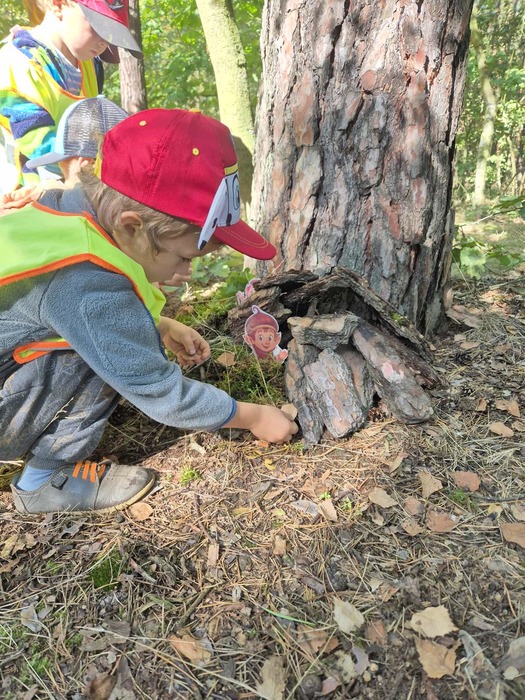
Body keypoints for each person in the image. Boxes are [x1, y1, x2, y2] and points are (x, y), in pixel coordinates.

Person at [0, 108, 298, 515]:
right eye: (184, 257)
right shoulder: (87, 284)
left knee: (110, 339)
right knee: (107, 351)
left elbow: (51, 311)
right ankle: (42, 482)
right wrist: (252, 416)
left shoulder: (63, 209)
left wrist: (158, 325)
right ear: (131, 226)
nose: (186, 272)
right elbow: (157, 390)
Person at [0, 0, 141, 190]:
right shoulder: (18, 62)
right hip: (26, 194)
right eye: (99, 26)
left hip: (76, 183)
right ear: (59, 5)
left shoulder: (87, 63)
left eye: (111, 33)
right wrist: (101, 163)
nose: (105, 42)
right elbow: (37, 145)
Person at [0, 95, 128, 213]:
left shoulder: (53, 209)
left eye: (65, 176)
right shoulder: (132, 205)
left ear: (87, 164)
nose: (60, 181)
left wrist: (45, 197)